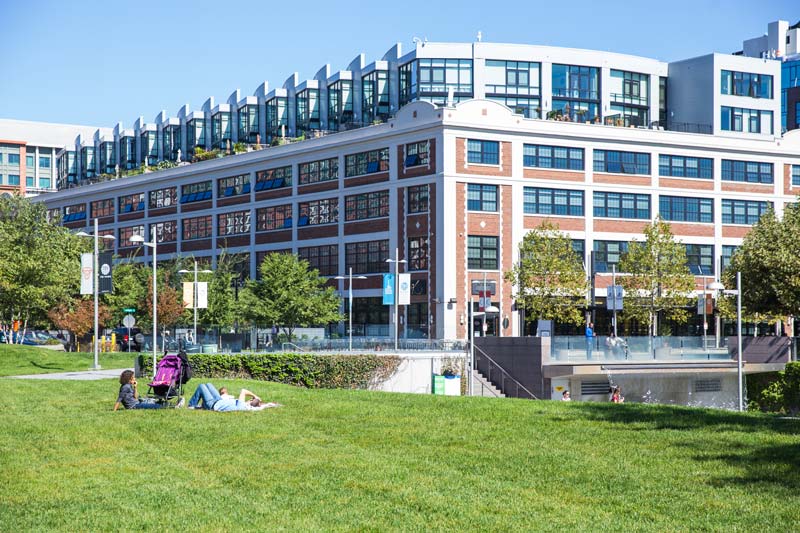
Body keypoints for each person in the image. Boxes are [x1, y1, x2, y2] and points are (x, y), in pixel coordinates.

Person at [186, 383, 277, 412]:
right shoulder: (245, 405)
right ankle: (201, 405)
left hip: (212, 404)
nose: (250, 399)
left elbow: (243, 391)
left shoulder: (242, 405)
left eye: (251, 400)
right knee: (208, 384)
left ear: (250, 402)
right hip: (218, 400)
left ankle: (191, 405)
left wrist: (255, 396)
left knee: (202, 386)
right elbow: (262, 406)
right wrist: (270, 404)